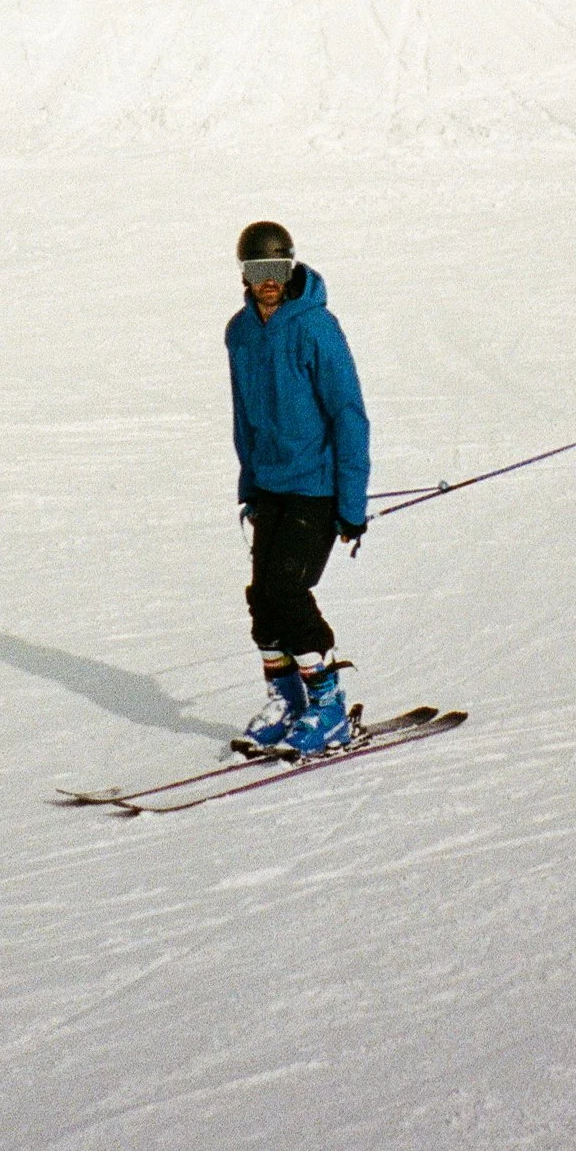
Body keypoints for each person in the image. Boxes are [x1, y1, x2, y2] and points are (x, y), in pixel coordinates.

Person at [225, 219, 371, 756]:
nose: (269, 280)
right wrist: (250, 484)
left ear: (290, 267)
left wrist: (351, 504)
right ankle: (286, 699)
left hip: (316, 486)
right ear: (244, 273)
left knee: (287, 592)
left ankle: (328, 707)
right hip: (270, 486)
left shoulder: (317, 328)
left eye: (277, 268)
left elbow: (349, 415)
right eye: (258, 269)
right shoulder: (239, 331)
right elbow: (244, 414)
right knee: (262, 600)